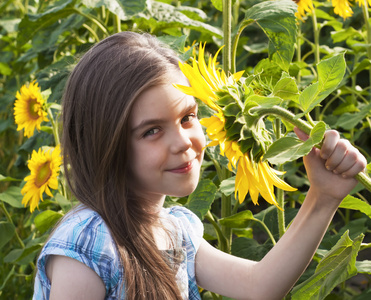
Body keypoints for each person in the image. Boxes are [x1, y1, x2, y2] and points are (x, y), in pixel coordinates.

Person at [32, 31, 367, 300]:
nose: (182, 142)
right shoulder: (89, 246)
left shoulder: (174, 230)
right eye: (152, 130)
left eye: (188, 117)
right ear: (105, 142)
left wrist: (323, 197)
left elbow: (259, 286)